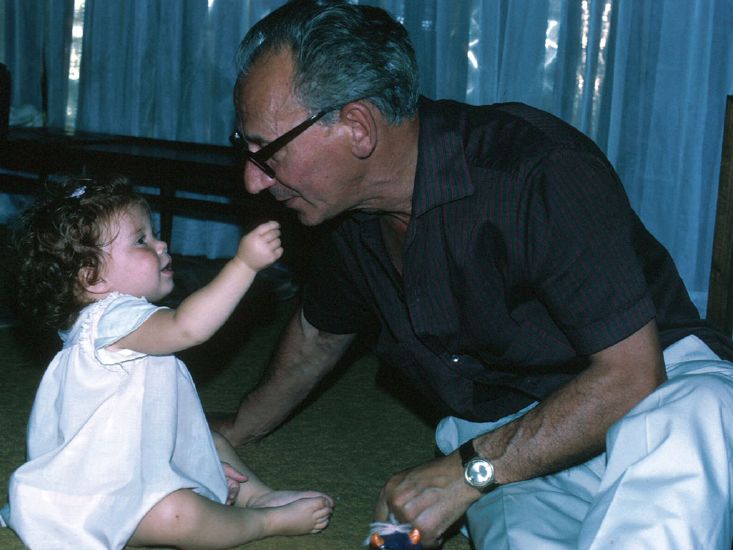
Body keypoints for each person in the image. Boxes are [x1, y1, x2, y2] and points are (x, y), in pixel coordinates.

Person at [213, 0, 733, 548]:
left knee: (697, 418)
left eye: (265, 151)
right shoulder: (345, 218)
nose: (252, 181)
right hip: (520, 447)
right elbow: (318, 335)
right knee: (520, 533)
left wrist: (469, 472)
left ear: (357, 127)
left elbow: (632, 378)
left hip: (656, 394)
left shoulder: (536, 171)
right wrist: (242, 426)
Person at [0, 175, 333, 549]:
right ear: (93, 278)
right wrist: (243, 265)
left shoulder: (106, 321)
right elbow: (188, 328)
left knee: (207, 438)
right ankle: (264, 520)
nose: (161, 244)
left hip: (132, 459)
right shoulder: (110, 318)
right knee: (178, 516)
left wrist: (191, 464)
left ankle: (255, 494)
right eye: (141, 240)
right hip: (97, 498)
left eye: (153, 232)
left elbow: (144, 428)